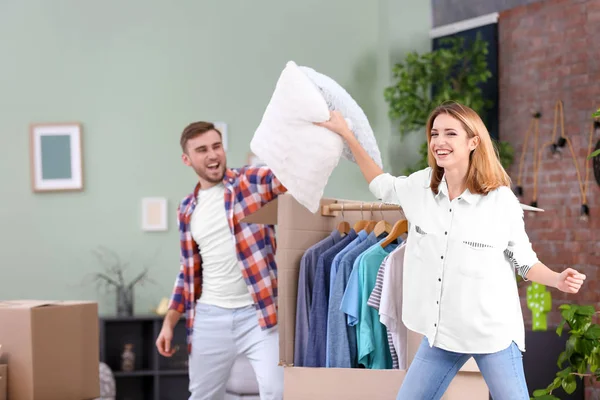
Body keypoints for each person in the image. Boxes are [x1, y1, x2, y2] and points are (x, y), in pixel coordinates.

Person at [316, 102, 587, 400]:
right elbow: (381, 185)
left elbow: (524, 262)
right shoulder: (420, 187)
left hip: (491, 335)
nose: (439, 142)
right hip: (441, 336)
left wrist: (558, 279)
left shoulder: (500, 201)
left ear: (473, 141)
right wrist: (347, 134)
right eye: (434, 134)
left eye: (450, 133)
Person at [155, 121, 286, 400]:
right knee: (203, 396)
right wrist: (169, 322)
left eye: (216, 146)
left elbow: (289, 180)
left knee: (279, 391)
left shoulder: (251, 182)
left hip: (260, 313)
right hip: (210, 317)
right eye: (202, 150)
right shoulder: (187, 209)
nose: (212, 155)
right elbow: (187, 272)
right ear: (187, 159)